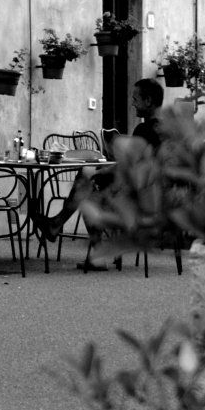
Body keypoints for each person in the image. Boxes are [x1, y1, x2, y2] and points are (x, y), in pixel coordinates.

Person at [65, 77, 167, 271]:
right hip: (162, 198)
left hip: (139, 201)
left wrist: (103, 173)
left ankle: (95, 255)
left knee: (87, 196)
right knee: (88, 179)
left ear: (148, 101)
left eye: (135, 99)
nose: (132, 103)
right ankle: (57, 223)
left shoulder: (144, 129)